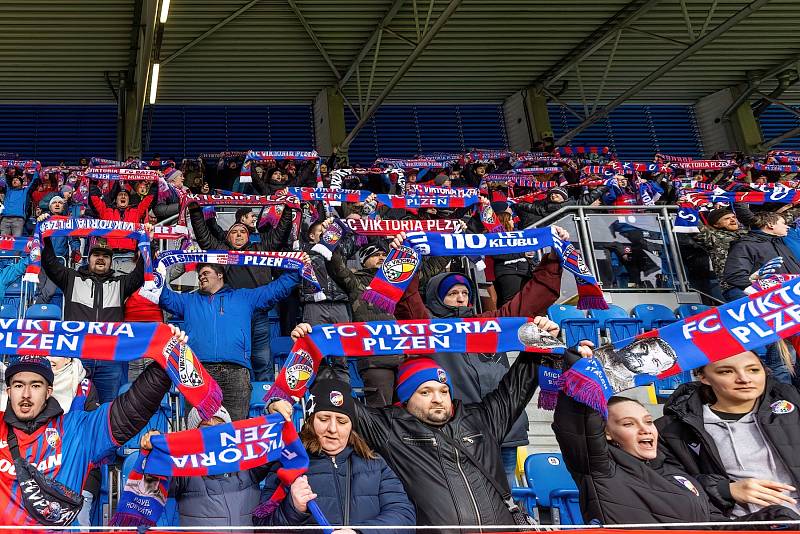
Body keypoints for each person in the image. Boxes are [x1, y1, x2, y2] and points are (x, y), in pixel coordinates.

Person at [269, 316, 559, 526]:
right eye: (425, 391)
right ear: (406, 399)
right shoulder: (390, 427)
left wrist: (539, 338)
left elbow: (517, 386)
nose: (438, 398)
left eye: (443, 391)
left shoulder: (483, 418)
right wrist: (311, 350)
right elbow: (336, 400)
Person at [391, 227, 566, 485]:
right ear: (435, 297)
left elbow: (531, 300)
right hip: (458, 433)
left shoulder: (489, 323)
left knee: (509, 503)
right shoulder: (426, 327)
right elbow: (407, 297)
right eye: (452, 293)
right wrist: (403, 257)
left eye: (465, 292)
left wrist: (553, 257)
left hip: (507, 429)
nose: (461, 298)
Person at [0, 327, 184, 526]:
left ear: (48, 391)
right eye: (19, 385)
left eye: (36, 385)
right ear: (8, 391)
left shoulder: (76, 429)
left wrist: (165, 362)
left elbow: (130, 409)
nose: (26, 394)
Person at [256, 378, 415, 532]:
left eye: (342, 421)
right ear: (310, 422)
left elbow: (404, 516)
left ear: (352, 426)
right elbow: (261, 525)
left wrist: (358, 532)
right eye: (324, 419)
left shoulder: (375, 464)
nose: (333, 428)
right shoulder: (289, 463)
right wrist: (293, 508)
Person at [657, 351, 800, 518]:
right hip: (741, 524)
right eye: (726, 371)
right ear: (703, 377)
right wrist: (724, 489)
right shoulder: (674, 429)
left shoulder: (794, 409)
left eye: (753, 370)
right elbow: (666, 481)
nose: (744, 379)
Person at [158, 262, 301, 420]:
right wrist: (154, 270)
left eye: (205, 272)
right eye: (199, 275)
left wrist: (298, 267)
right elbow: (163, 295)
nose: (201, 276)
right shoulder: (188, 301)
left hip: (236, 373)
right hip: (198, 373)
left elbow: (276, 290)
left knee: (235, 430)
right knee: (200, 433)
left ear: (220, 275)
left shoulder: (244, 297)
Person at [188, 198, 298, 382]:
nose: (238, 235)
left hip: (258, 313)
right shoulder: (221, 251)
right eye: (234, 232)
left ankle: (266, 403)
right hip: (231, 315)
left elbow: (279, 235)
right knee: (235, 361)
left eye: (242, 232)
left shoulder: (260, 249)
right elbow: (204, 237)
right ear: (228, 237)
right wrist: (195, 212)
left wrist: (288, 210)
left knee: (262, 360)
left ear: (248, 236)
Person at [41, 234, 147, 402]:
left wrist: (147, 242)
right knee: (72, 408)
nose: (101, 259)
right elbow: (50, 263)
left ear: (111, 261)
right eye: (96, 255)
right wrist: (45, 237)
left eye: (105, 256)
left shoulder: (120, 284)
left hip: (110, 360)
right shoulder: (71, 278)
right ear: (88, 258)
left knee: (108, 412)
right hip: (78, 357)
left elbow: (141, 273)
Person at [136, 406, 271, 527]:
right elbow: (152, 485)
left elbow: (280, 451)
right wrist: (154, 452)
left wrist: (273, 408)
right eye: (205, 426)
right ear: (193, 434)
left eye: (220, 424)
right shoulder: (184, 466)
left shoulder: (248, 459)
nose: (213, 431)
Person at [46, 357, 101, 526]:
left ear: (69, 357)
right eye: (46, 352)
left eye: (55, 353)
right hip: (37, 469)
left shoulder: (85, 388)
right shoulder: (28, 383)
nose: (49, 358)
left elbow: (95, 437)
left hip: (80, 471)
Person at [722, 212, 800, 301]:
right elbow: (735, 276)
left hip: (793, 293)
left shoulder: (779, 241)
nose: (787, 227)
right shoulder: (745, 245)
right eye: (783, 223)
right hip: (773, 299)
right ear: (770, 225)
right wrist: (760, 290)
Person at [88, 185, 154, 252]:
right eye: (120, 195)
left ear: (129, 200)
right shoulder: (106, 211)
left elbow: (149, 199)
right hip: (110, 253)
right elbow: (94, 199)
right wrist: (92, 180)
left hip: (129, 254)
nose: (123, 196)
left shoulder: (137, 211)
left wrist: (155, 182)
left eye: (125, 195)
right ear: (116, 200)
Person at [1, 171, 38, 236]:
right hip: (5, 219)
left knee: (17, 241)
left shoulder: (25, 191)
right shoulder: (8, 191)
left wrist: (36, 171)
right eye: (13, 180)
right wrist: (3, 170)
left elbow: (34, 182)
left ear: (21, 183)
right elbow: (2, 181)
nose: (14, 181)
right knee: (3, 242)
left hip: (18, 219)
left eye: (17, 180)